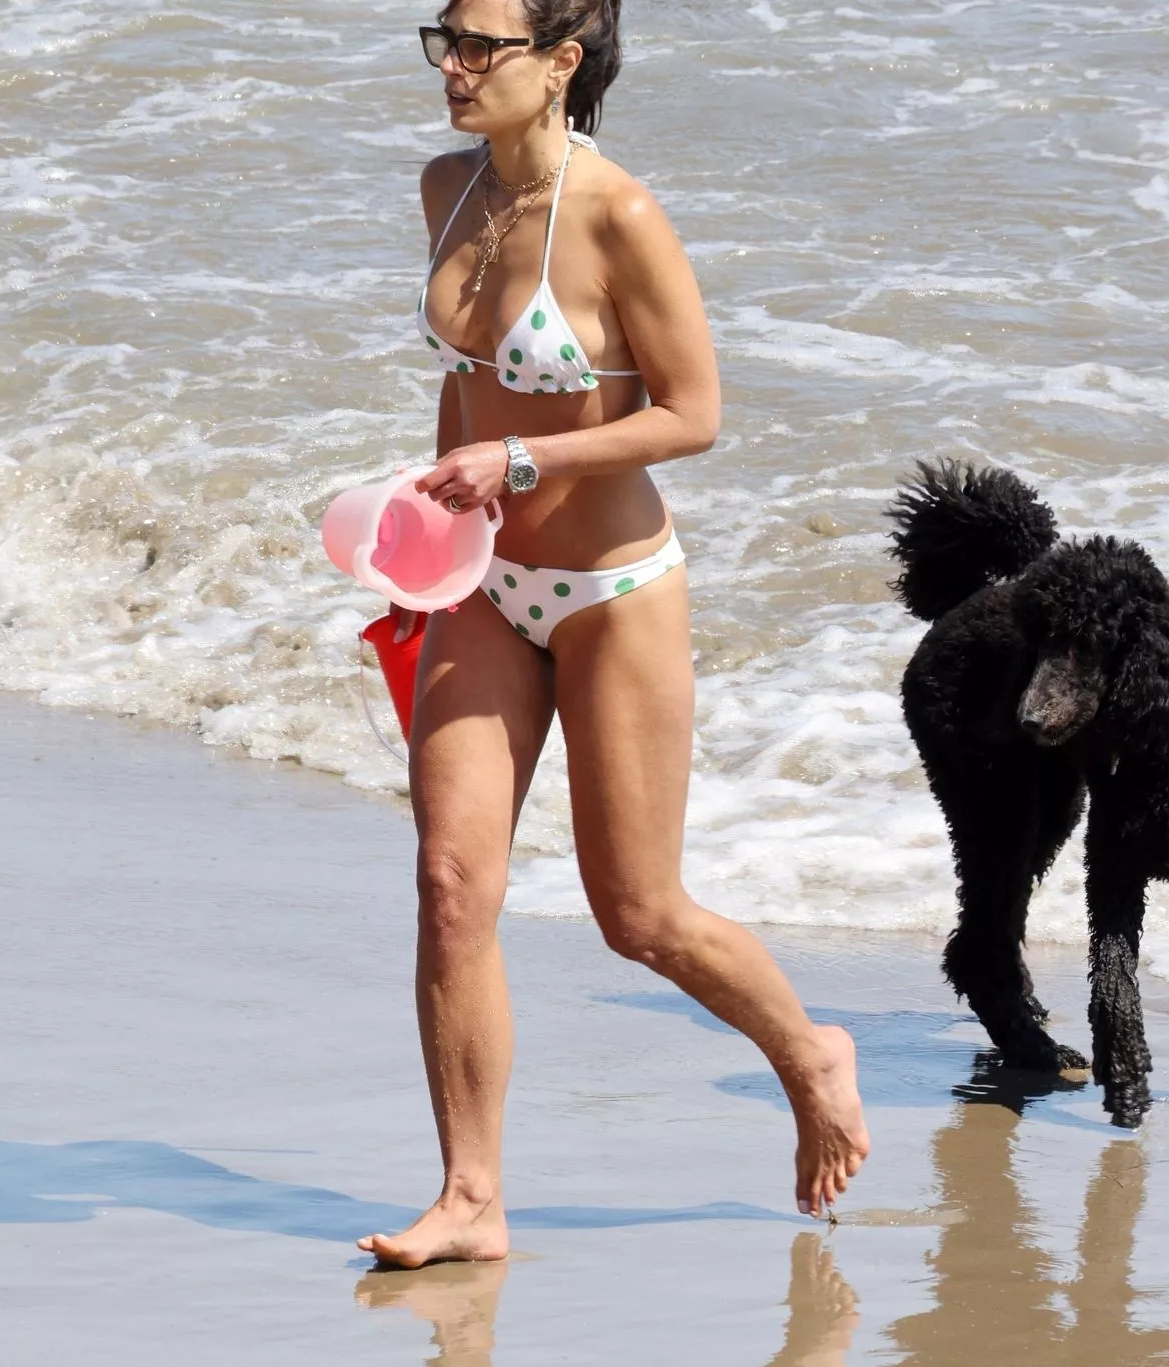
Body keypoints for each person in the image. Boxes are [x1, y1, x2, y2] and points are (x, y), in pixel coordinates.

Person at [357, 0, 869, 1269]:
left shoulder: (620, 213)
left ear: (561, 63)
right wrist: (423, 537)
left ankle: (809, 1052)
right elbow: (467, 383)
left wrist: (524, 457)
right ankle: (471, 1196)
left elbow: (694, 413)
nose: (454, 66)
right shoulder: (446, 191)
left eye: (482, 45)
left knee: (636, 911)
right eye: (444, 39)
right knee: (450, 885)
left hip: (611, 592)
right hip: (479, 582)